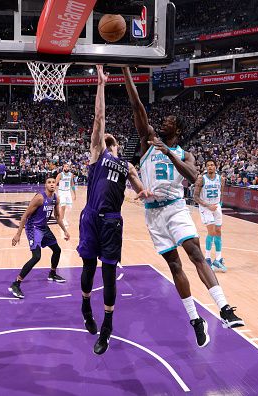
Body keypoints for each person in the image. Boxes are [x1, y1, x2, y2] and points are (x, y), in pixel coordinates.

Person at [123, 66, 244, 350]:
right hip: (153, 213)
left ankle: (224, 308)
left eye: (167, 121)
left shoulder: (184, 153)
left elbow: (192, 178)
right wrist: (125, 68)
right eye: (161, 121)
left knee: (195, 253)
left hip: (176, 208)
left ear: (176, 130)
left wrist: (170, 155)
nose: (161, 123)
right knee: (174, 264)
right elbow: (136, 105)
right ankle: (195, 320)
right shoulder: (147, 141)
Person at [77, 65, 148, 355]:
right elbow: (99, 119)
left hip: (112, 223)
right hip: (91, 217)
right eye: (104, 139)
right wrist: (101, 84)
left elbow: (140, 189)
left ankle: (107, 327)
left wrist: (145, 192)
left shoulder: (127, 165)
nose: (107, 141)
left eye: (111, 141)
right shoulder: (97, 154)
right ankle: (84, 305)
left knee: (107, 274)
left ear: (117, 146)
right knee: (88, 268)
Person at [9, 177, 70, 298]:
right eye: (49, 182)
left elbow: (57, 217)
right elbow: (25, 216)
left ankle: (52, 274)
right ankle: (16, 283)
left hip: (44, 228)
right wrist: (18, 233)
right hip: (33, 228)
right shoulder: (39, 198)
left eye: (53, 182)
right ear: (45, 185)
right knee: (36, 257)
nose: (52, 184)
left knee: (57, 250)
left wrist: (65, 231)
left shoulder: (55, 198)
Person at [193, 159, 227, 272]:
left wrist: (219, 205)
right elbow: (195, 197)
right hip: (205, 207)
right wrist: (208, 205)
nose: (210, 167)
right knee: (211, 231)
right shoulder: (201, 179)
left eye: (212, 165)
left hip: (216, 207)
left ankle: (218, 259)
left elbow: (221, 193)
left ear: (215, 167)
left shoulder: (221, 179)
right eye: (208, 165)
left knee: (218, 232)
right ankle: (207, 258)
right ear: (206, 168)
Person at [55, 163, 77, 227]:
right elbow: (55, 183)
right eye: (65, 167)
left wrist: (75, 194)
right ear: (63, 168)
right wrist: (53, 193)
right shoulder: (60, 175)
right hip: (61, 192)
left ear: (69, 168)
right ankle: (61, 220)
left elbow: (72, 184)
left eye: (67, 167)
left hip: (68, 192)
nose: (66, 168)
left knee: (69, 207)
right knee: (63, 206)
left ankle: (64, 218)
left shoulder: (71, 175)